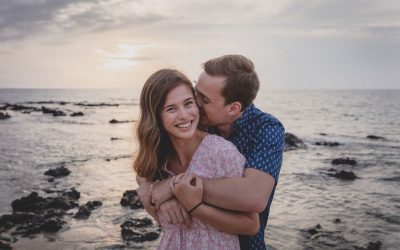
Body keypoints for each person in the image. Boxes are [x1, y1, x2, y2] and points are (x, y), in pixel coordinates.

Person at [142, 55, 285, 250]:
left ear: (233, 108)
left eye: (205, 99)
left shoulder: (266, 129)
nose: (196, 103)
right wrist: (154, 193)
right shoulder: (194, 122)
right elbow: (147, 165)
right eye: (196, 92)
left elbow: (255, 196)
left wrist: (177, 188)